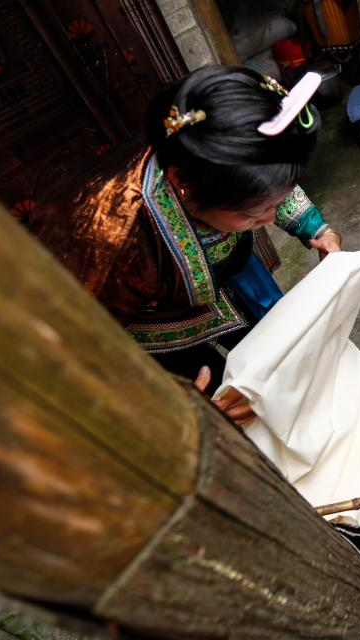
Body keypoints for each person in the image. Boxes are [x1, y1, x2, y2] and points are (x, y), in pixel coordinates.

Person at [31, 65, 340, 424]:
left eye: (275, 203)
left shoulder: (216, 157)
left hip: (233, 274)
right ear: (183, 185)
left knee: (280, 357)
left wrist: (314, 227)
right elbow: (80, 345)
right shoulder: (106, 237)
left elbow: (269, 180)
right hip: (162, 327)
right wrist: (162, 400)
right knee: (221, 404)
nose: (270, 220)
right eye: (254, 212)